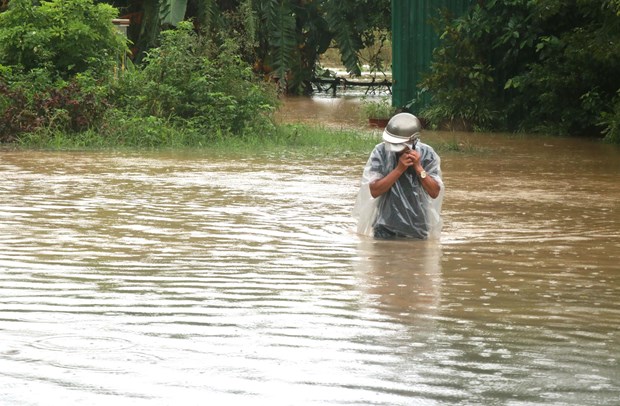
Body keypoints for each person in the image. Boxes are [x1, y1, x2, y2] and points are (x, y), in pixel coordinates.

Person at [353, 112, 444, 239]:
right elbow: (374, 190)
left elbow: (434, 192)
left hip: (418, 227)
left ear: (413, 140)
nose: (395, 148)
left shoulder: (427, 154)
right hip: (384, 227)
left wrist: (418, 167)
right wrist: (399, 169)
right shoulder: (381, 152)